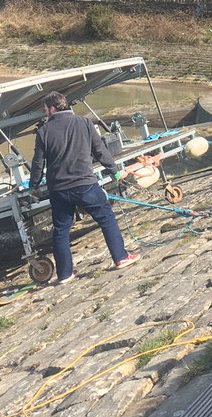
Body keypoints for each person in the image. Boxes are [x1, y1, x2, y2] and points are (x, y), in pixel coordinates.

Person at [29, 91, 139, 284]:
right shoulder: (85, 123)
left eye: (45, 109)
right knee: (106, 219)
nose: (45, 113)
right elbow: (100, 150)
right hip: (85, 185)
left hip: (59, 190)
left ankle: (64, 274)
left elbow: (38, 163)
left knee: (61, 231)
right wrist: (114, 171)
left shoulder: (44, 132)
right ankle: (121, 258)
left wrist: (34, 187)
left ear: (53, 108)